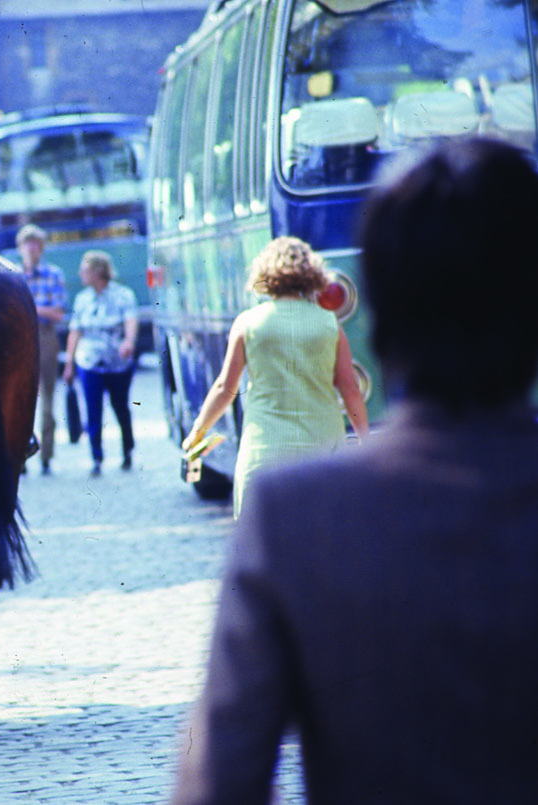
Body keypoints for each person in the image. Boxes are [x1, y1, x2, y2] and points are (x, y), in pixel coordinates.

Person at [172, 138, 538, 802]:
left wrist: (196, 438)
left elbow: (220, 780)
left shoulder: (294, 518)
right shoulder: (325, 331)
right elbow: (349, 392)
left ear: (386, 315)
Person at [180, 236, 369, 516]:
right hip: (323, 453)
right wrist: (364, 440)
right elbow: (349, 388)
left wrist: (197, 434)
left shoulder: (248, 323)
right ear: (311, 274)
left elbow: (225, 388)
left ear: (265, 273)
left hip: (264, 453)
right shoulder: (329, 323)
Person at [62, 250, 139, 476]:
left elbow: (131, 320)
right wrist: (69, 363)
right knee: (93, 409)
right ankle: (96, 456)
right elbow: (75, 332)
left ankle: (128, 450)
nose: (80, 274)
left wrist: (129, 341)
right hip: (90, 361)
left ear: (98, 271)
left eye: (84, 270)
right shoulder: (82, 299)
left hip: (117, 361)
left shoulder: (123, 294)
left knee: (120, 406)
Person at [16, 224, 67, 475]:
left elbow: (58, 314)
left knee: (47, 400)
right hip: (18, 336)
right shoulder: (13, 274)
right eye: (28, 244)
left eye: (36, 245)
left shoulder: (53, 274)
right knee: (19, 400)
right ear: (21, 248)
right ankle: (21, 456)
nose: (32, 249)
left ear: (42, 248)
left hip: (45, 335)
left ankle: (46, 455)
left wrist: (28, 307)